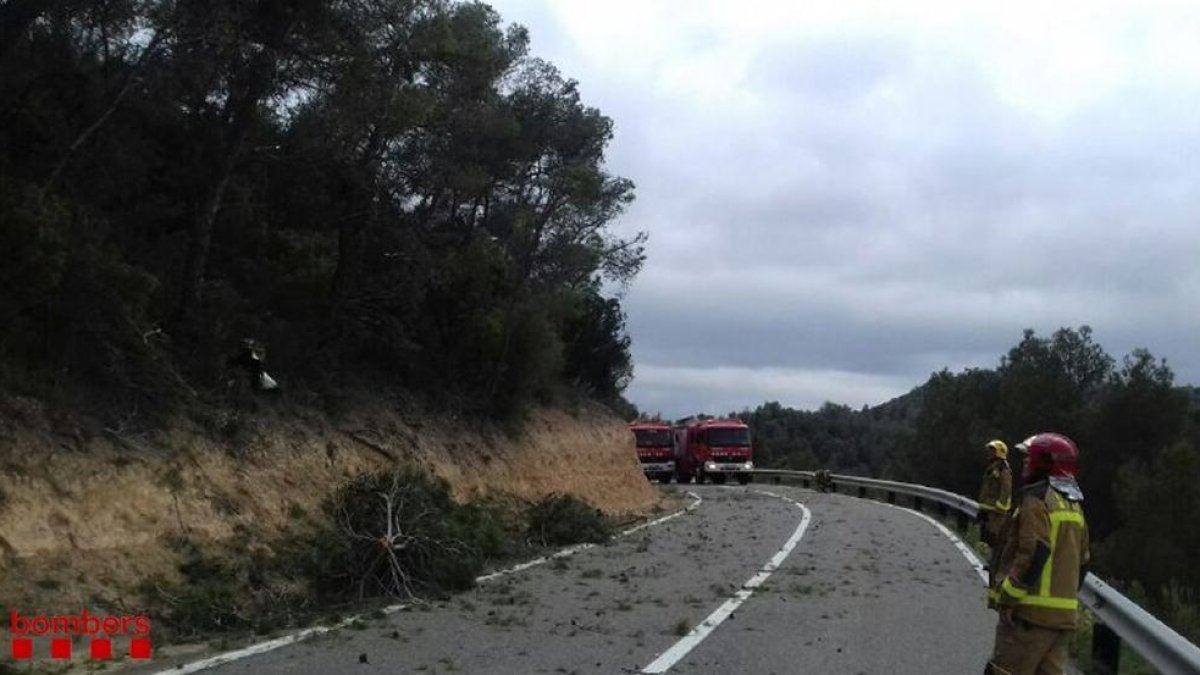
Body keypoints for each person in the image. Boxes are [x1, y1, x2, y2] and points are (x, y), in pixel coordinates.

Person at [986, 433, 1090, 675]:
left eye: (1028, 457)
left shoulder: (1036, 499)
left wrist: (1009, 598)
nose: (1024, 462)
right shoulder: (1073, 503)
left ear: (1044, 462)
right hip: (1061, 621)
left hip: (1029, 618)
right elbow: (1083, 562)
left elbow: (1034, 552)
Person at [978, 439, 1013, 547]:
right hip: (987, 507)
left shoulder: (1003, 469)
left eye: (992, 450)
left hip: (995, 510)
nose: (989, 453)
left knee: (993, 537)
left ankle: (991, 559)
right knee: (985, 537)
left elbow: (1006, 488)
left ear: (999, 452)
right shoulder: (993, 467)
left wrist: (1000, 506)